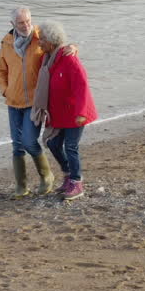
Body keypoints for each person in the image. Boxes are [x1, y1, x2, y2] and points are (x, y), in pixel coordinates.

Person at [32, 20, 97, 201]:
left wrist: (81, 113)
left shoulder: (69, 58)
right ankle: (68, 174)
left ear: (51, 41)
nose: (39, 42)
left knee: (70, 146)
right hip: (58, 113)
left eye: (42, 39)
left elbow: (81, 85)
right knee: (52, 143)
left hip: (75, 114)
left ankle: (77, 183)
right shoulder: (47, 58)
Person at [0, 6, 57, 198]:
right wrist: (4, 89)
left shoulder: (41, 38)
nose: (26, 25)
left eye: (28, 21)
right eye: (21, 23)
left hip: (34, 101)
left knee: (30, 142)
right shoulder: (6, 43)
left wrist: (74, 48)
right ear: (13, 24)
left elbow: (62, 51)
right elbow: (1, 70)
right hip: (13, 101)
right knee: (17, 145)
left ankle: (47, 176)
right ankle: (21, 186)